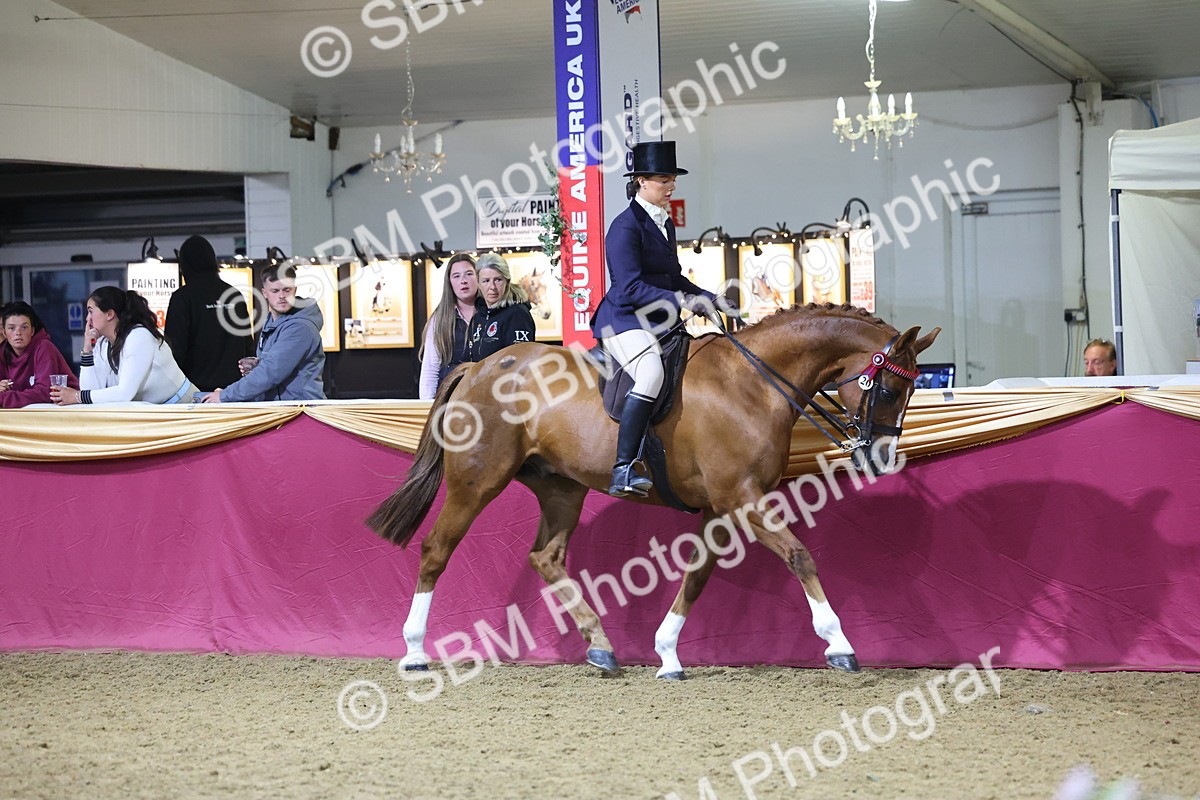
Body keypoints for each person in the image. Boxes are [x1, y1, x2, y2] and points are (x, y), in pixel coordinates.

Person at [591, 140, 733, 498]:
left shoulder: (664, 223)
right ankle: (623, 468)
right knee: (651, 371)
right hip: (624, 319)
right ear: (641, 181)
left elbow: (673, 277)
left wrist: (709, 296)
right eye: (664, 180)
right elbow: (629, 287)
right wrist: (682, 301)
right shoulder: (625, 227)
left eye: (673, 179)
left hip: (658, 320)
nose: (672, 186)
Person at [50, 287, 198, 406]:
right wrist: (87, 351)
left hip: (185, 404)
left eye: (90, 311)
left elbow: (124, 393)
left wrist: (76, 396)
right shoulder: (103, 343)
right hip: (158, 411)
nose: (87, 318)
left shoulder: (138, 336)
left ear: (109, 314)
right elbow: (91, 391)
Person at [204, 263, 325, 402]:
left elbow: (271, 372)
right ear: (264, 293)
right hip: (283, 408)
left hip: (300, 409)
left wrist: (225, 395)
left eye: (287, 290)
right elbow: (274, 367)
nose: (281, 296)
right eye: (275, 291)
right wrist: (258, 365)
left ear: (295, 290)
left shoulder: (300, 327)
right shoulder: (272, 321)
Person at [165, 234, 254, 392]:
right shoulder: (234, 294)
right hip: (234, 391)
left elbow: (176, 350)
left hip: (196, 391)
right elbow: (248, 346)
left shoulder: (183, 297)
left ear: (184, 264)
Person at [418, 253, 478, 400]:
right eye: (456, 276)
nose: (463, 281)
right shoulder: (439, 319)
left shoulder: (491, 315)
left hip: (485, 399)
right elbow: (430, 369)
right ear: (449, 282)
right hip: (450, 401)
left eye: (469, 274)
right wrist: (427, 406)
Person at [0, 301, 78, 408]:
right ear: (4, 332)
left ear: (32, 331)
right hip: (22, 412)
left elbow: (45, 393)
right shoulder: (2, 351)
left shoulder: (44, 347)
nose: (18, 333)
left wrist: (4, 398)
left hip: (65, 409)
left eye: (24, 327)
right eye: (12, 328)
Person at [464, 253, 536, 362]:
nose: (492, 287)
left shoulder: (517, 314)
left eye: (498, 280)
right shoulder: (478, 317)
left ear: (507, 281)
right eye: (486, 281)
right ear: (478, 284)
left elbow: (520, 362)